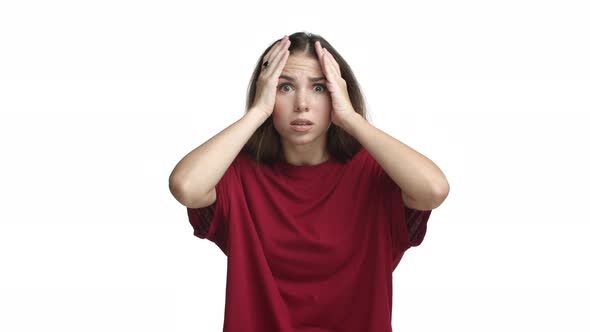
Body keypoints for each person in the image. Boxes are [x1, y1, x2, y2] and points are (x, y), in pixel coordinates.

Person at [169, 31, 449, 332]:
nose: (302, 104)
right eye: (285, 87)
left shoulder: (375, 173)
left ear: (339, 94)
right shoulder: (237, 175)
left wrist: (353, 119)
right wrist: (257, 112)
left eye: (319, 87)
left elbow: (433, 190)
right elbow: (186, 186)